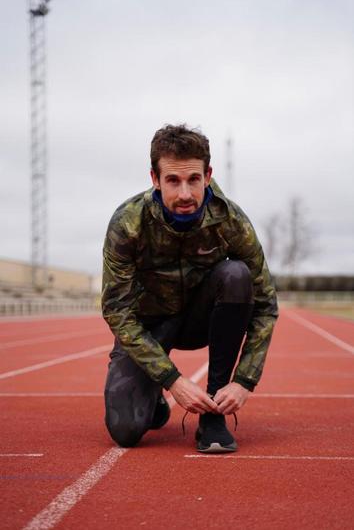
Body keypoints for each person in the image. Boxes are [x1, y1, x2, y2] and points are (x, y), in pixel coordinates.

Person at [102, 124, 278, 453]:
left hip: (200, 319)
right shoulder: (127, 223)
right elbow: (117, 310)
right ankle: (153, 397)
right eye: (173, 180)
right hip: (150, 325)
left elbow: (266, 305)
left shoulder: (231, 221)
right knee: (126, 431)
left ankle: (213, 417)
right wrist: (171, 380)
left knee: (236, 275)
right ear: (155, 179)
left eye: (193, 179)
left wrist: (244, 381)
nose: (185, 194)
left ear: (207, 175)